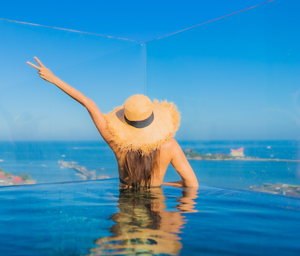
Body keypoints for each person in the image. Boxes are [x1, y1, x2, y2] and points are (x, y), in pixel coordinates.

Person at [27, 57, 198, 189]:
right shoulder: (170, 146)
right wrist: (159, 185)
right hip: (157, 205)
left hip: (125, 205)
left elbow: (89, 104)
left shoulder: (117, 142)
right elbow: (191, 184)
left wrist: (53, 78)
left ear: (126, 120)